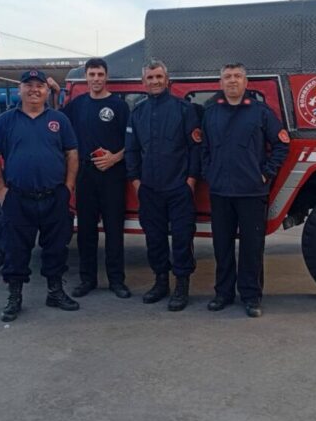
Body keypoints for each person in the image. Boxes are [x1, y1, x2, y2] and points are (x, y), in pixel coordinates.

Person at [0, 69, 79, 322]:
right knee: (15, 251)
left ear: (47, 91)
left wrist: (68, 187)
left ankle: (55, 292)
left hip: (54, 196)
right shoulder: (5, 121)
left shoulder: (59, 120)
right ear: (20, 89)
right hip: (18, 197)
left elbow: (72, 153)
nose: (34, 90)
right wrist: (1, 190)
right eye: (29, 85)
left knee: (57, 249)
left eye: (39, 86)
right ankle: (15, 297)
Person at [201, 63, 289, 317]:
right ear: (220, 83)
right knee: (222, 246)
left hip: (252, 192)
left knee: (252, 247)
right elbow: (203, 148)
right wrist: (209, 172)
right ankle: (223, 294)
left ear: (246, 82)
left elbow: (282, 145)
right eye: (227, 76)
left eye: (237, 76)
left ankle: (251, 297)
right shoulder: (210, 112)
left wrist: (265, 174)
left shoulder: (260, 112)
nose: (232, 81)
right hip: (220, 192)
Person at [49, 58, 132, 299]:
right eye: (92, 74)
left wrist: (114, 158)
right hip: (85, 174)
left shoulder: (119, 106)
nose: (96, 79)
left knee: (114, 230)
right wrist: (55, 92)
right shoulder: (77, 105)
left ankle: (117, 281)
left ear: (106, 76)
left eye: (100, 74)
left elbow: (132, 143)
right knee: (86, 230)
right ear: (86, 77)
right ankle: (88, 280)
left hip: (113, 174)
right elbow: (56, 121)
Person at [125, 59, 201, 311]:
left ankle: (181, 285)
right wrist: (136, 180)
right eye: (150, 77)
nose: (155, 81)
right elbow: (132, 150)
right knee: (154, 239)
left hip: (178, 188)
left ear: (167, 80)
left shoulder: (184, 110)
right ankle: (160, 282)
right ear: (143, 82)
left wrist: (190, 181)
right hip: (149, 189)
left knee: (181, 238)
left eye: (159, 77)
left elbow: (195, 149)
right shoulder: (138, 112)